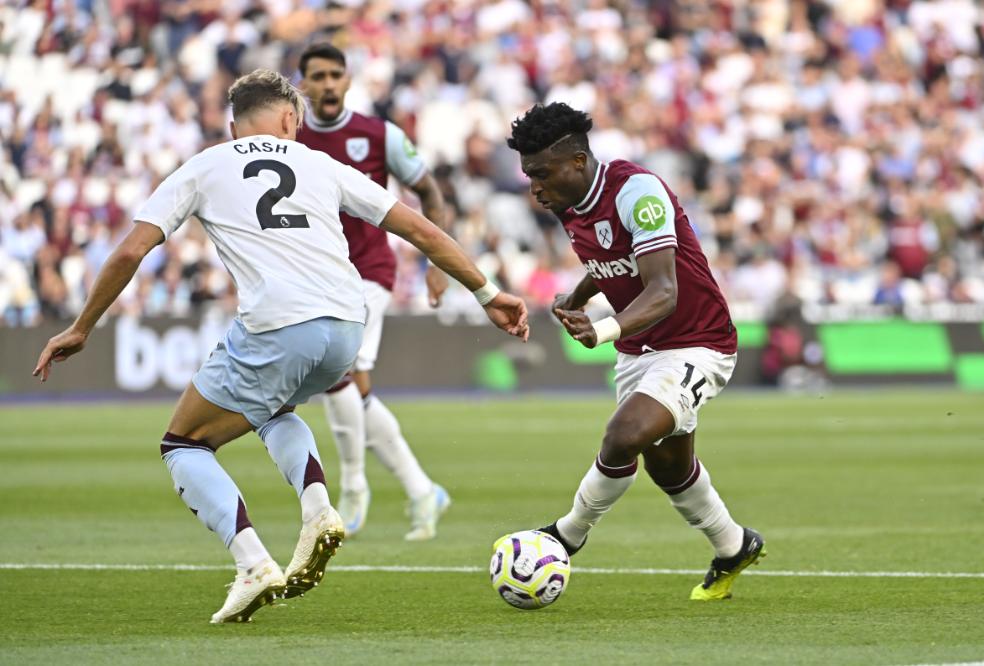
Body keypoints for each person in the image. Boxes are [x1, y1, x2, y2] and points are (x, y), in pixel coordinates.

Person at [32, 69, 529, 623]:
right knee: (273, 409)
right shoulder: (320, 162)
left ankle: (251, 563)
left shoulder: (204, 164)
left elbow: (130, 253)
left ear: (232, 124)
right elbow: (423, 231)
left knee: (184, 444)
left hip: (278, 325)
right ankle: (318, 507)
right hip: (346, 328)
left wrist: (81, 327)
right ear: (292, 119)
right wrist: (487, 292)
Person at [506, 102, 764, 601]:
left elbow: (663, 290)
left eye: (541, 174)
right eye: (528, 176)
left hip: (697, 341)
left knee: (624, 434)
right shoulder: (567, 202)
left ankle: (566, 535)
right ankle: (735, 547)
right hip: (639, 348)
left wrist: (600, 330)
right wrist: (579, 295)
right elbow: (612, 254)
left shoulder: (637, 191)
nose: (534, 187)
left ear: (577, 162)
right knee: (668, 467)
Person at [297, 43, 452, 541]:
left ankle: (355, 487)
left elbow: (429, 191)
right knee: (353, 386)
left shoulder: (379, 135)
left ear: (347, 81)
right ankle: (422, 490)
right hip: (317, 277)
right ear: (302, 84)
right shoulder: (290, 140)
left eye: (334, 75)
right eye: (316, 76)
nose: (326, 84)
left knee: (339, 374)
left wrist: (435, 260)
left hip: (368, 271)